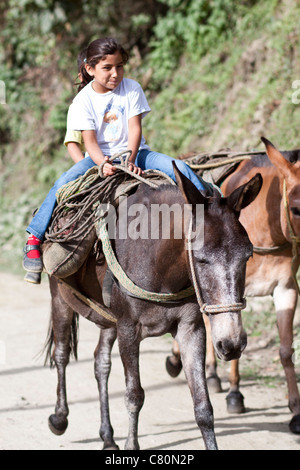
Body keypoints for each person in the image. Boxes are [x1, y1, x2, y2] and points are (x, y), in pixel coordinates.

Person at [23, 37, 208, 283]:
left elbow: (135, 129)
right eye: (107, 68)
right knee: (63, 183)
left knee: (181, 168)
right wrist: (102, 164)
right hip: (98, 158)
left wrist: (131, 159)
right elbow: (89, 142)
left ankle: (214, 213)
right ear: (90, 69)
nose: (115, 73)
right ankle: (34, 238)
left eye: (119, 66)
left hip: (137, 153)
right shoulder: (82, 101)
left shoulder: (132, 88)